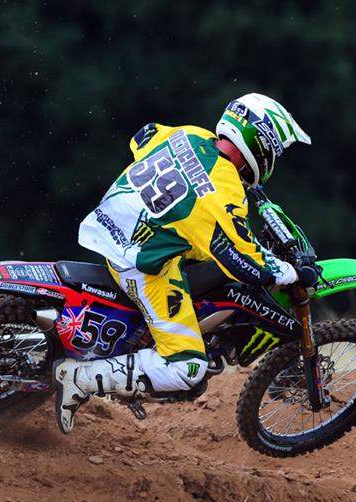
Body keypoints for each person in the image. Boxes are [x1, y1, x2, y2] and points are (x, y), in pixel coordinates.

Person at [53, 93, 312, 433]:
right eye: (275, 151)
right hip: (140, 262)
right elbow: (243, 262)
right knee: (187, 367)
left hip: (111, 223)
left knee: (198, 248)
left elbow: (143, 137)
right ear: (260, 145)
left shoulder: (191, 135)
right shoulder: (223, 191)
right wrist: (291, 271)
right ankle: (79, 378)